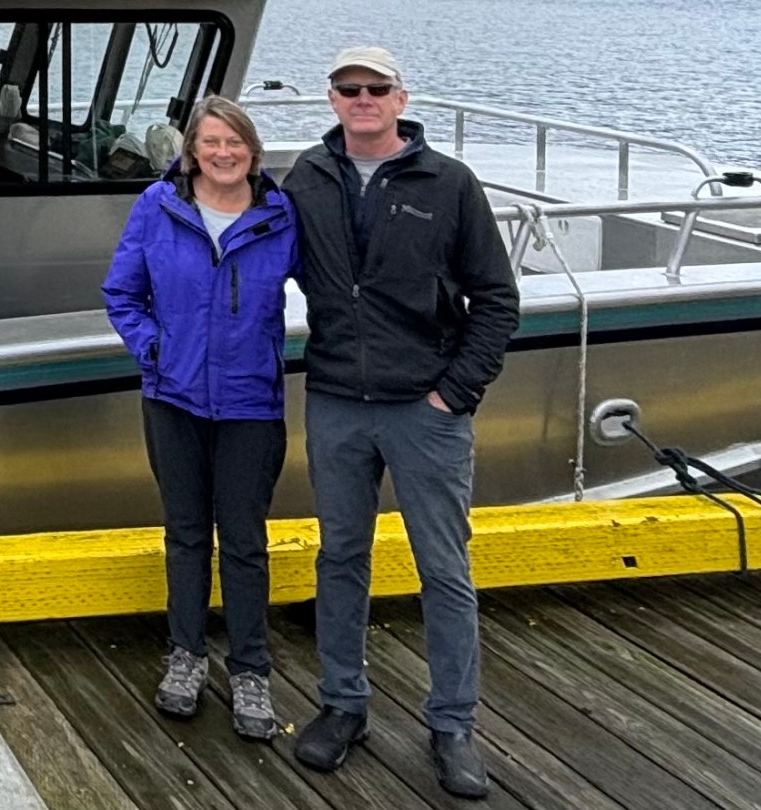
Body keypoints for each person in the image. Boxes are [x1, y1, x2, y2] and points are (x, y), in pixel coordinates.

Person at [282, 46, 519, 797]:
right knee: (340, 558)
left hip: (426, 408)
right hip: (335, 402)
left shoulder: (448, 183)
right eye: (348, 88)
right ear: (332, 99)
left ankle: (453, 724)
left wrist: (456, 392)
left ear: (399, 98)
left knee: (444, 570)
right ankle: (343, 704)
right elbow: (249, 243)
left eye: (375, 89)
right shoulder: (307, 179)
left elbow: (498, 299)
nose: (362, 99)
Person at [102, 96, 298, 741]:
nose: (222, 152)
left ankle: (250, 671)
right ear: (191, 151)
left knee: (243, 541)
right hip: (173, 399)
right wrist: (153, 348)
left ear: (253, 151)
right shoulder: (157, 208)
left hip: (250, 403)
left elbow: (334, 287)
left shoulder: (279, 216)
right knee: (185, 534)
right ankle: (185, 656)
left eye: (234, 142)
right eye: (210, 141)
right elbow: (122, 293)